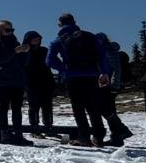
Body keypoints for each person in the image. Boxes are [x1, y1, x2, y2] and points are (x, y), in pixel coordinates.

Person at [48, 13, 111, 147]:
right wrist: (104, 72)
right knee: (93, 107)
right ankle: (98, 136)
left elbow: (50, 60)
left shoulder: (59, 40)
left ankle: (84, 137)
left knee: (78, 108)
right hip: (92, 75)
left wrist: (64, 69)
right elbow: (102, 55)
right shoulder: (90, 36)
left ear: (59, 24)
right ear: (75, 22)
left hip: (73, 77)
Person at [0, 20, 30, 145]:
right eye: (7, 30)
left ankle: (18, 134)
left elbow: (24, 63)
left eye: (12, 29)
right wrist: (15, 51)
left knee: (17, 108)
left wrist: (25, 52)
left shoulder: (15, 42)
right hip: (2, 80)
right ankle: (5, 133)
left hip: (17, 79)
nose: (11, 32)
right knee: (4, 107)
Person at [94, 34, 133, 147]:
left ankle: (122, 131)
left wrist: (114, 85)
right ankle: (117, 137)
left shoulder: (109, 50)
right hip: (104, 85)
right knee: (108, 109)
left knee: (105, 109)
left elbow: (116, 70)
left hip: (109, 86)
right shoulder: (102, 51)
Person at [22, 30, 56, 135]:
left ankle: (48, 126)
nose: (36, 40)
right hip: (31, 82)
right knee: (34, 106)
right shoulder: (24, 52)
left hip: (46, 81)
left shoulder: (44, 50)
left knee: (47, 106)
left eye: (38, 38)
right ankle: (34, 128)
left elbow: (50, 64)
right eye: (34, 38)